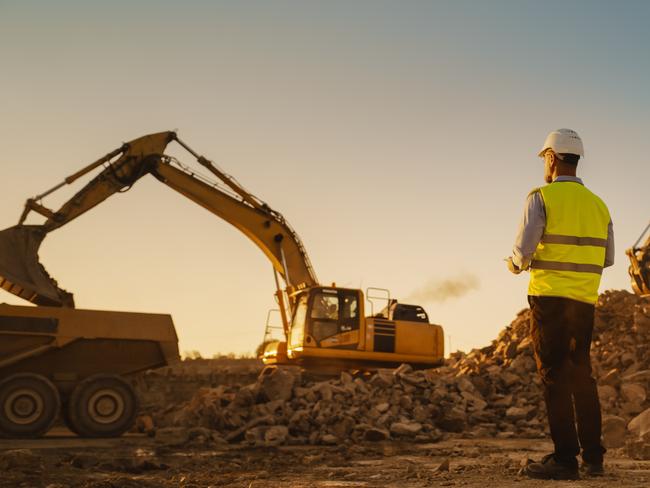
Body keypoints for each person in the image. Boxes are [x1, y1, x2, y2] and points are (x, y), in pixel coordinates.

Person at [506, 128, 614, 480]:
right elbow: (607, 259)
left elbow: (522, 253)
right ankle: (594, 459)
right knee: (582, 375)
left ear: (551, 158)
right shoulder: (599, 205)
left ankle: (565, 460)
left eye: (544, 159)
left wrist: (515, 264)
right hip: (584, 302)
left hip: (550, 300)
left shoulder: (541, 197)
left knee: (555, 377)